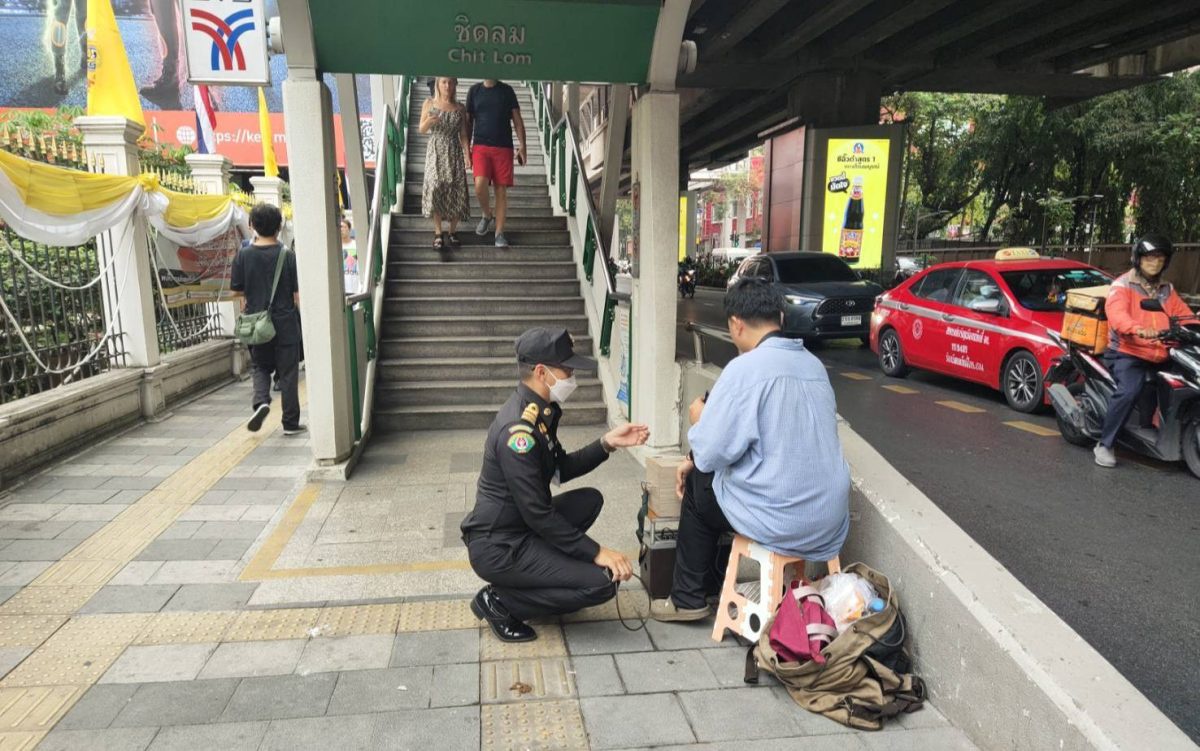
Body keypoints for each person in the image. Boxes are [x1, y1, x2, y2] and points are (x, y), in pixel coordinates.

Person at [651, 278, 851, 622]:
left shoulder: (744, 370)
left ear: (735, 324)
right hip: (830, 522)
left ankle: (687, 599)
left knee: (702, 486)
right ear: (782, 319)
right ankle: (712, 585)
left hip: (783, 522)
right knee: (720, 479)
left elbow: (712, 454)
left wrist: (699, 420)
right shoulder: (814, 367)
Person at [462, 327, 649, 642]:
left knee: (590, 500)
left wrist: (607, 443)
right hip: (500, 546)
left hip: (521, 526)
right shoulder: (517, 431)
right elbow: (538, 513)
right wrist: (596, 552)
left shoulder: (539, 412)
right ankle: (500, 601)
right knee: (602, 582)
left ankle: (551, 575)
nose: (572, 375)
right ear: (540, 372)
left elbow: (559, 470)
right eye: (567, 369)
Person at [1094, 235, 1193, 468]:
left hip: (1162, 352)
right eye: (1149, 257)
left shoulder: (1167, 289)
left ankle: (1155, 426)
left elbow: (1184, 315)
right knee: (1130, 390)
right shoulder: (1122, 286)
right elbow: (1118, 317)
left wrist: (1194, 322)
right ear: (1138, 259)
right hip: (1128, 352)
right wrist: (1137, 329)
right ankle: (1105, 444)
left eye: (1160, 257)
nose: (1155, 262)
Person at [230, 203, 306, 436]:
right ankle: (291, 423)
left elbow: (235, 292)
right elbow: (296, 295)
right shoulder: (288, 256)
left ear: (251, 225)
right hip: (285, 323)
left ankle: (261, 401)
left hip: (257, 324)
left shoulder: (243, 256)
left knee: (261, 366)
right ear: (279, 226)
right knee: (289, 373)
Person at [465, 79, 527, 249]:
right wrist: (466, 151)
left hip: (503, 147)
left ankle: (499, 233)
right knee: (479, 185)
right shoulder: (474, 91)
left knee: (501, 191)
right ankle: (487, 214)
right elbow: (468, 123)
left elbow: (517, 120)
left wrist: (523, 146)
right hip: (480, 146)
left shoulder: (507, 91)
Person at [419, 77, 472, 252]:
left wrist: (467, 154)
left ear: (456, 84)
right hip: (435, 149)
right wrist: (429, 121)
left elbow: (464, 133)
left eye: (450, 82)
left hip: (454, 149)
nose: (447, 86)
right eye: (443, 82)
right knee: (436, 186)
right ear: (438, 84)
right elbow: (421, 129)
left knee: (457, 188)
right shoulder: (429, 103)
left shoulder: (460, 108)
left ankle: (452, 231)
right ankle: (437, 232)